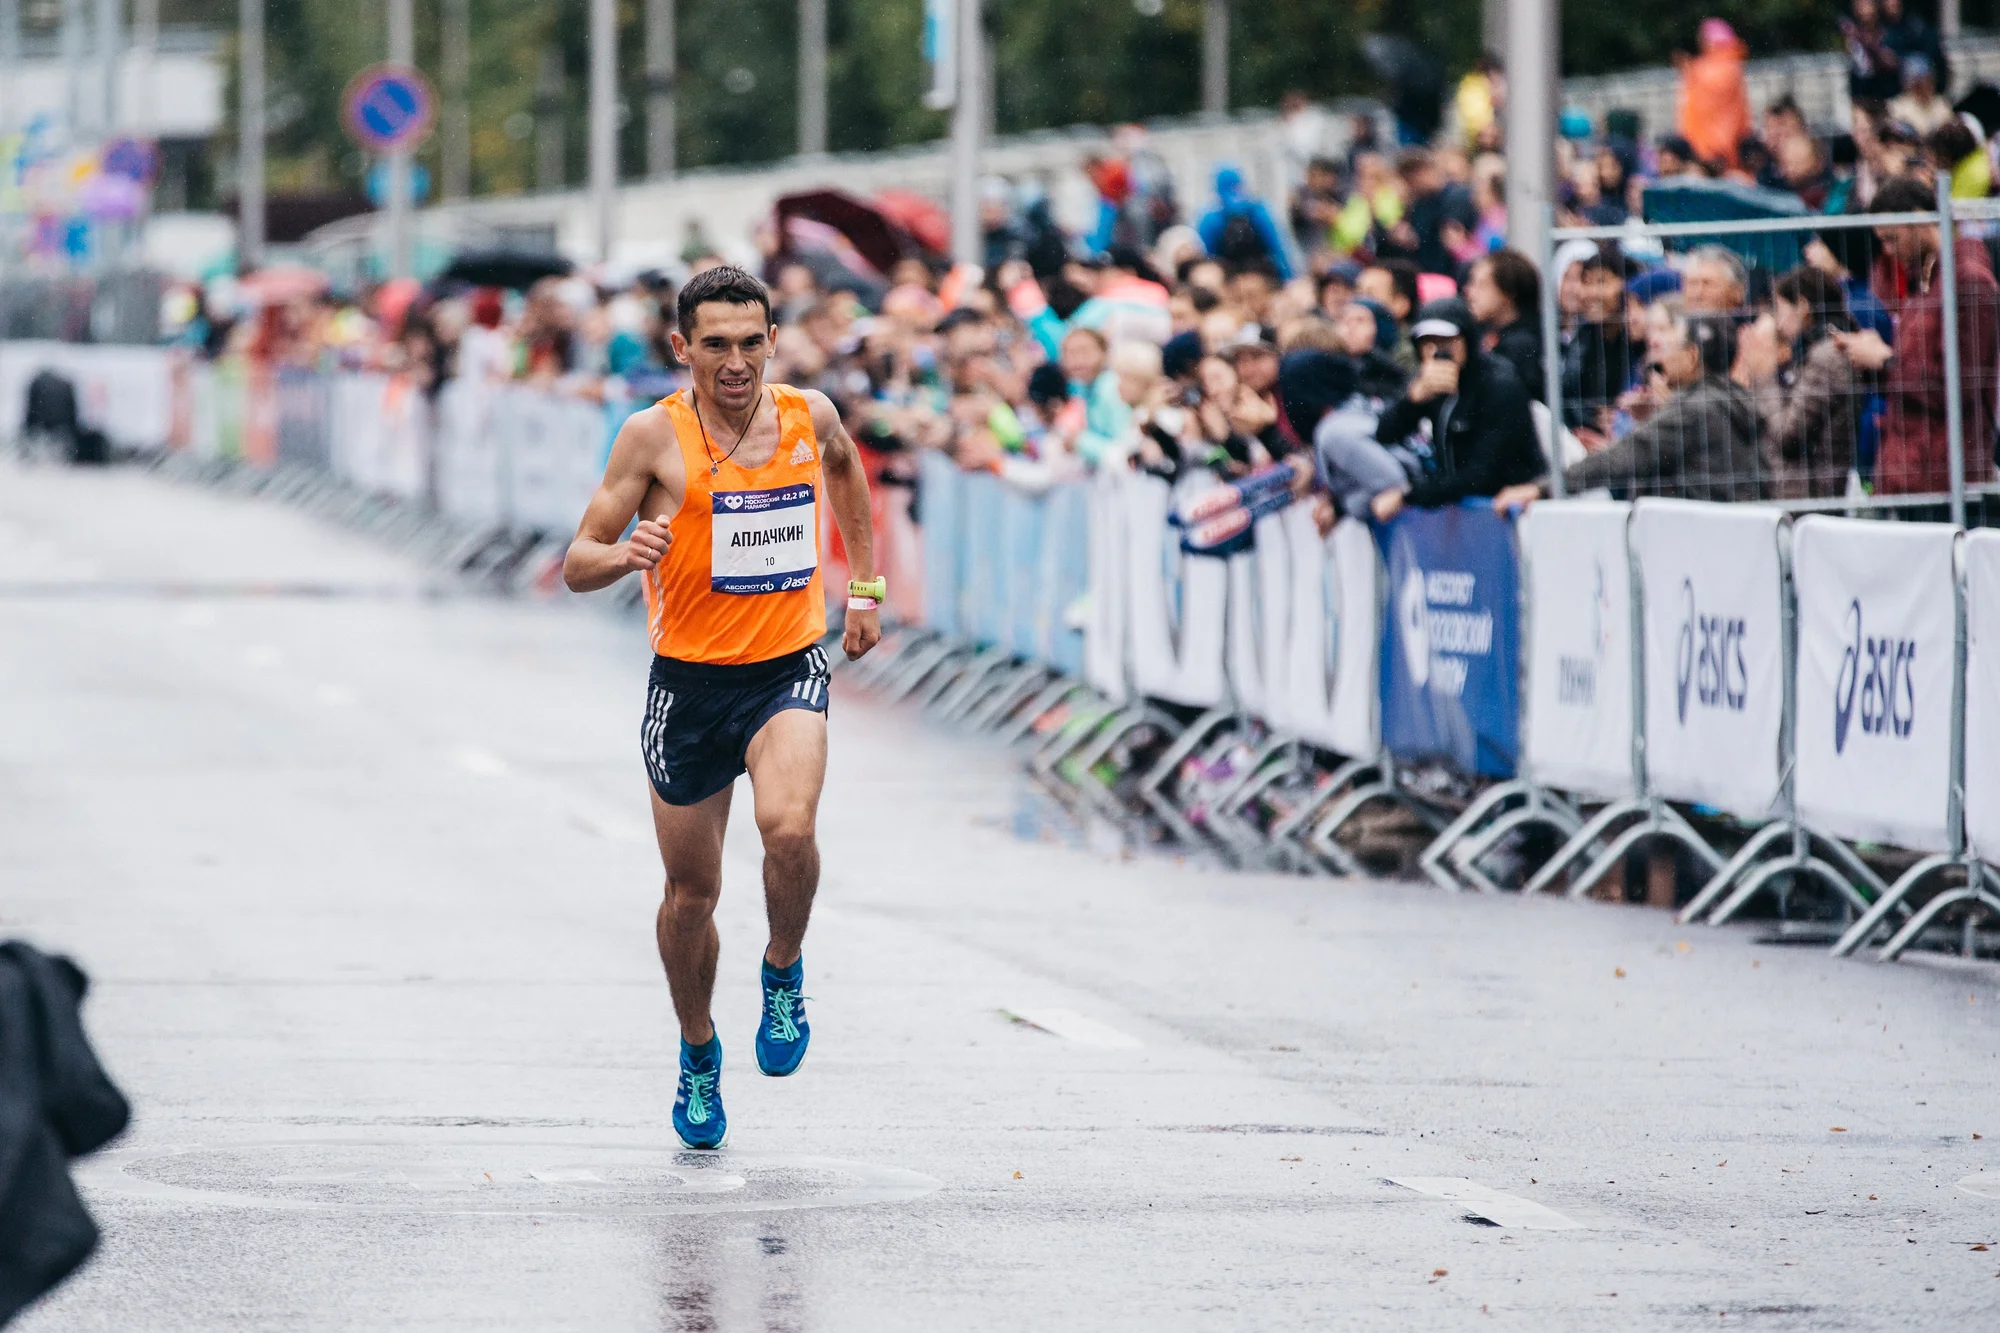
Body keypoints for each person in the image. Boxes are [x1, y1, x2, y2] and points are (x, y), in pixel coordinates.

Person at [561, 265, 883, 1151]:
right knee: (690, 896)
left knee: (790, 828)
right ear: (682, 347)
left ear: (773, 340)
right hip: (689, 686)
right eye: (715, 345)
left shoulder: (808, 415)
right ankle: (698, 1047)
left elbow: (847, 470)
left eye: (750, 343)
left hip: (786, 668)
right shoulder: (650, 437)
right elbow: (577, 560)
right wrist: (626, 553)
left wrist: (864, 587)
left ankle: (782, 969)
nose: (735, 362)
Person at [1495, 305, 1766, 505]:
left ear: (1692, 357)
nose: (1660, 357)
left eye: (1669, 346)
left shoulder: (1694, 409)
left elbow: (1624, 458)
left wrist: (1543, 488)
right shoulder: (1731, 401)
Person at [1836, 175, 2000, 493]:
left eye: (1892, 238)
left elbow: (1961, 385)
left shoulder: (1968, 281)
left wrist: (1885, 361)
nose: (1887, 251)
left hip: (1944, 477)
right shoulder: (1926, 280)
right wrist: (1871, 358)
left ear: (1920, 218)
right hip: (1914, 470)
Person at [1366, 297, 1543, 520]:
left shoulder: (1498, 384)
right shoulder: (1427, 383)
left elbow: (1481, 474)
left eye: (1446, 342)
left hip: (1506, 512)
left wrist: (1409, 495)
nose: (1437, 351)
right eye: (1427, 343)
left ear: (1466, 340)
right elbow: (1384, 434)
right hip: (1463, 512)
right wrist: (1412, 401)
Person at [1740, 265, 1862, 499]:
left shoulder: (1826, 357)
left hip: (1810, 493)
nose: (1777, 322)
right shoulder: (1817, 351)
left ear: (1803, 306)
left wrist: (1764, 376)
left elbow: (1789, 435)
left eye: (1779, 309)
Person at [1463, 249, 1545, 401]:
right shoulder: (1491, 334)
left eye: (1481, 285)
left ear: (1508, 291)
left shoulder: (1522, 345)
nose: (1469, 293)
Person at [1676, 18, 1752, 171]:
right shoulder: (1734, 66)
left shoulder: (1703, 69)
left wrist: (1688, 70)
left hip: (1704, 146)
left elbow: (1698, 108)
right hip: (1733, 143)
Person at [1196, 164, 1294, 280]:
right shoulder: (1258, 210)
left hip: (1229, 280)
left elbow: (1206, 256)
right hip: (1263, 277)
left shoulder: (1210, 218)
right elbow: (1278, 249)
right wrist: (1288, 277)